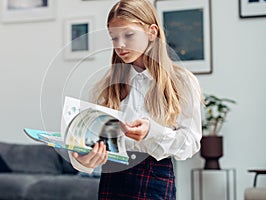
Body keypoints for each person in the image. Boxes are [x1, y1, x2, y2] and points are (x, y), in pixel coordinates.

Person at [69, 0, 203, 199]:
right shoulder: (107, 86)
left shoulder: (181, 82)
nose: (120, 45)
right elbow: (90, 142)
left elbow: (190, 143)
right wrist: (83, 161)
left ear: (152, 32)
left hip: (155, 179)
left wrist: (152, 131)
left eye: (128, 35)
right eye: (114, 38)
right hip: (111, 179)